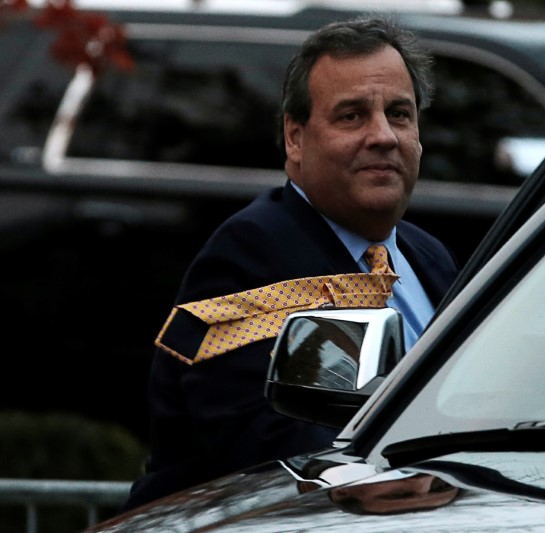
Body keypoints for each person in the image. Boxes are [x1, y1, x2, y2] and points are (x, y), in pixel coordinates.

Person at [121, 16, 460, 511]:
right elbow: (258, 438)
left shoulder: (429, 256)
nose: (383, 135)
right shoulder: (251, 251)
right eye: (352, 116)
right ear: (295, 138)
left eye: (400, 114)